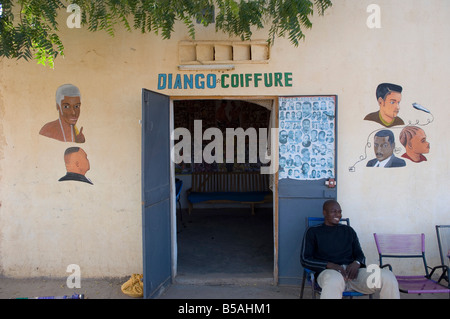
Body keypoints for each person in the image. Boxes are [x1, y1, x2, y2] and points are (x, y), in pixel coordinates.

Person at [300, 200, 400, 299]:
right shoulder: (313, 231)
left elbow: (360, 255)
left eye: (339, 212)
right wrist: (331, 265)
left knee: (387, 276)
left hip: (354, 275)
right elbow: (305, 259)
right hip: (329, 273)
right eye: (333, 211)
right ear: (324, 212)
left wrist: (356, 263)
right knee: (333, 281)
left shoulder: (348, 231)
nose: (338, 215)